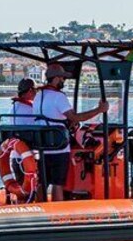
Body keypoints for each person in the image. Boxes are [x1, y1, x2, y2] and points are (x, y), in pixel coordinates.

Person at [33, 63, 109, 202]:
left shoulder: (38, 95)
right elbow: (74, 117)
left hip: (43, 147)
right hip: (58, 148)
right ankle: (57, 214)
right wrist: (99, 110)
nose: (64, 81)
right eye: (63, 78)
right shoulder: (58, 96)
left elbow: (51, 116)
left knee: (42, 182)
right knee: (58, 183)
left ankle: (40, 209)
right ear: (56, 78)